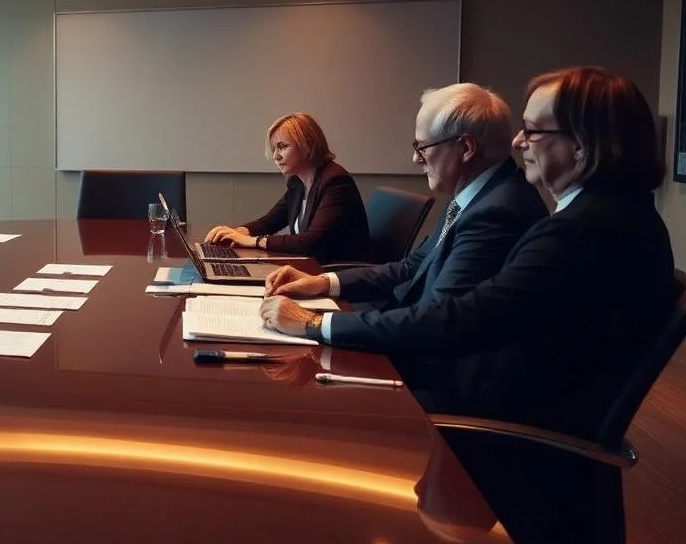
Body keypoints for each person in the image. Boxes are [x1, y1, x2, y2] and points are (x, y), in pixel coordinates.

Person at [260, 66, 679, 439]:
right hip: (477, 392)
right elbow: (423, 278)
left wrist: (316, 322)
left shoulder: (572, 230)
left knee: (297, 419)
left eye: (533, 131)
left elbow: (450, 323)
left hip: (482, 425)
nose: (519, 140)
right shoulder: (602, 215)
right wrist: (322, 288)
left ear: (582, 145)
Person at [261, 84, 547, 365]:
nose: (415, 158)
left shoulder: (497, 212)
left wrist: (313, 322)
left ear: (466, 147)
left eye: (422, 147)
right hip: (412, 340)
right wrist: (321, 283)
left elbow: (436, 322)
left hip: (434, 376)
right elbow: (410, 267)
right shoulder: (474, 194)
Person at [203, 112, 372, 263]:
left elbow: (311, 242)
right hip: (310, 267)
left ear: (307, 146)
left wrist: (254, 241)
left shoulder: (336, 182)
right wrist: (239, 232)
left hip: (337, 276)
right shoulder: (297, 182)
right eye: (274, 148)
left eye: (282, 147)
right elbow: (271, 221)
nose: (276, 156)